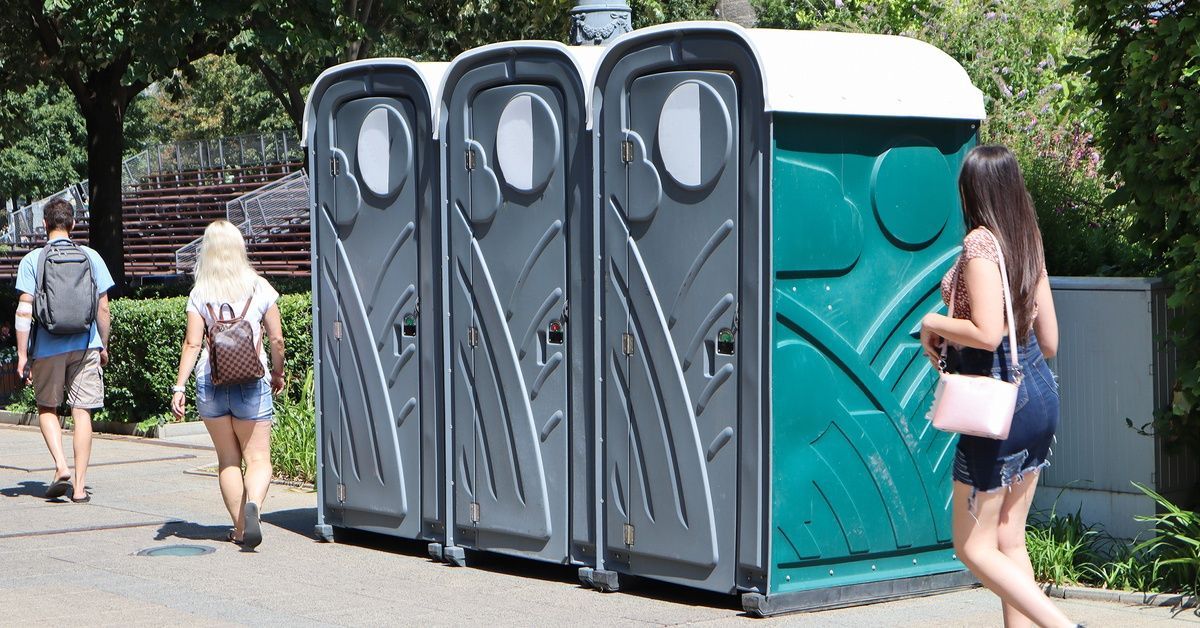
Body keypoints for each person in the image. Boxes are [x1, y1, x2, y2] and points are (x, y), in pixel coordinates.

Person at [920, 145, 1077, 628]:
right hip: (1039, 394)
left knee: (972, 546)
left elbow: (987, 333)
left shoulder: (980, 245)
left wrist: (932, 322)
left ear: (972, 190)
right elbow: (1050, 341)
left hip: (999, 401)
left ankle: (1063, 626)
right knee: (1009, 538)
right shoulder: (1027, 238)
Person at [170, 220, 285, 550]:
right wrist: (277, 373)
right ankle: (255, 506)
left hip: (211, 381)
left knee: (228, 460)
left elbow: (192, 344)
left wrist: (179, 387)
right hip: (252, 381)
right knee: (258, 459)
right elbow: (276, 339)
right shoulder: (259, 287)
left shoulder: (200, 293)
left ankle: (240, 529)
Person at [14, 198, 114, 503]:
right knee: (82, 411)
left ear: (44, 224)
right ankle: (80, 488)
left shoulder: (33, 260)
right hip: (86, 345)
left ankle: (60, 466)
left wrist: (22, 355)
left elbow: (24, 310)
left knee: (47, 407)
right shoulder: (91, 257)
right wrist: (103, 345)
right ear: (73, 224)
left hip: (47, 347)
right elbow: (103, 308)